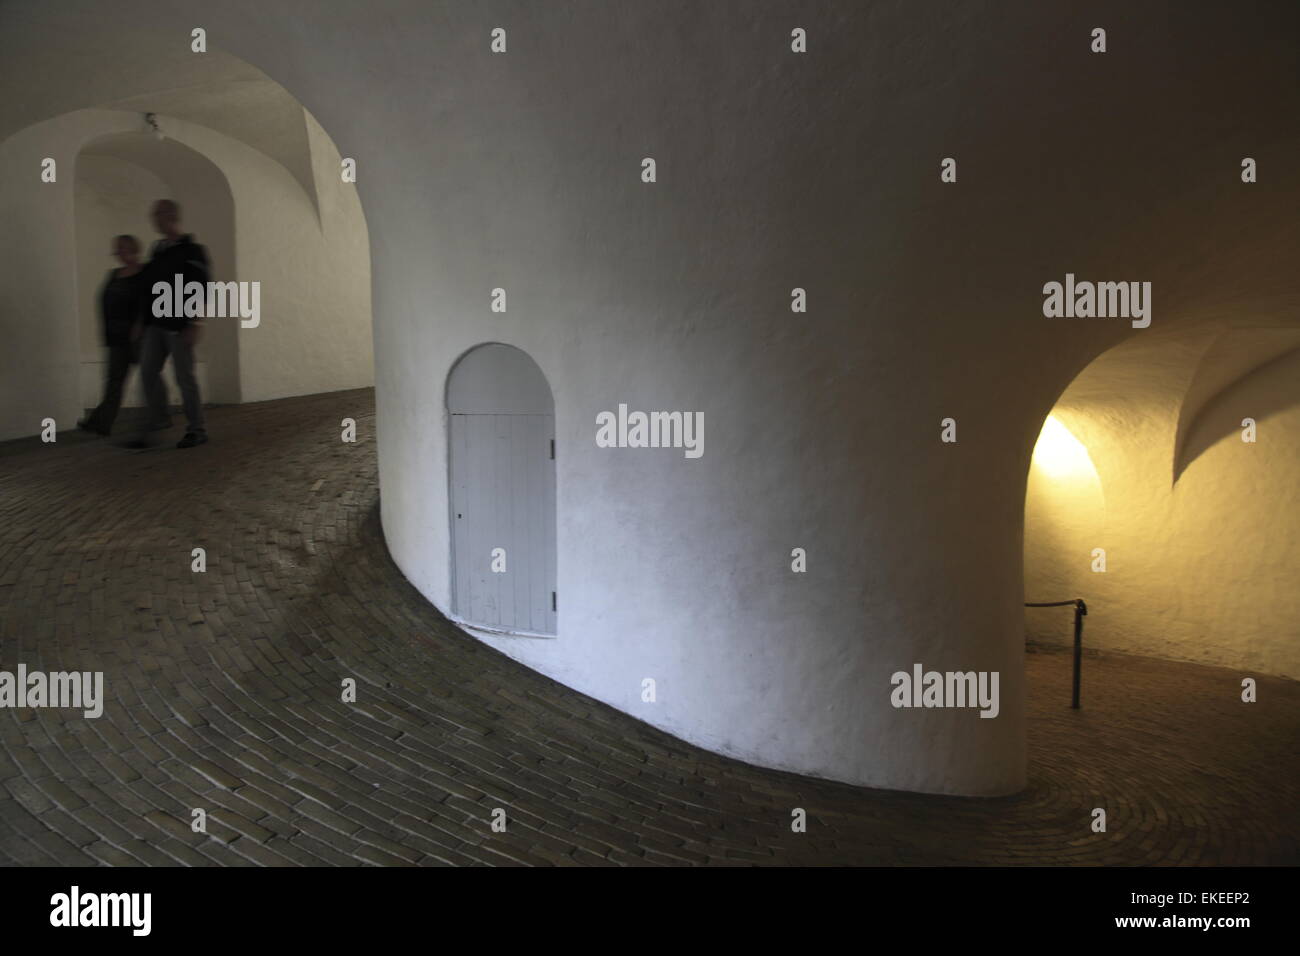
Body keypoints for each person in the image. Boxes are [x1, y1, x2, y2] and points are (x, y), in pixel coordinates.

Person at [128, 199, 210, 449]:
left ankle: (197, 430)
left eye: (157, 214)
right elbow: (149, 287)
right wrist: (141, 321)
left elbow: (201, 287)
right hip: (155, 324)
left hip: (179, 323)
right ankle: (158, 421)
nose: (153, 219)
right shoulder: (158, 250)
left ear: (170, 216)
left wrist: (195, 322)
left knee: (184, 376)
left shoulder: (192, 250)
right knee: (147, 372)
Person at [78, 235, 145, 437]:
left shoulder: (144, 274)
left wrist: (139, 326)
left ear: (134, 248)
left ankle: (158, 418)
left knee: (149, 379)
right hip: (116, 337)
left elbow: (148, 304)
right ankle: (101, 424)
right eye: (118, 249)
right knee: (114, 382)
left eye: (124, 248)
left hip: (136, 337)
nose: (120, 253)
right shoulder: (114, 275)